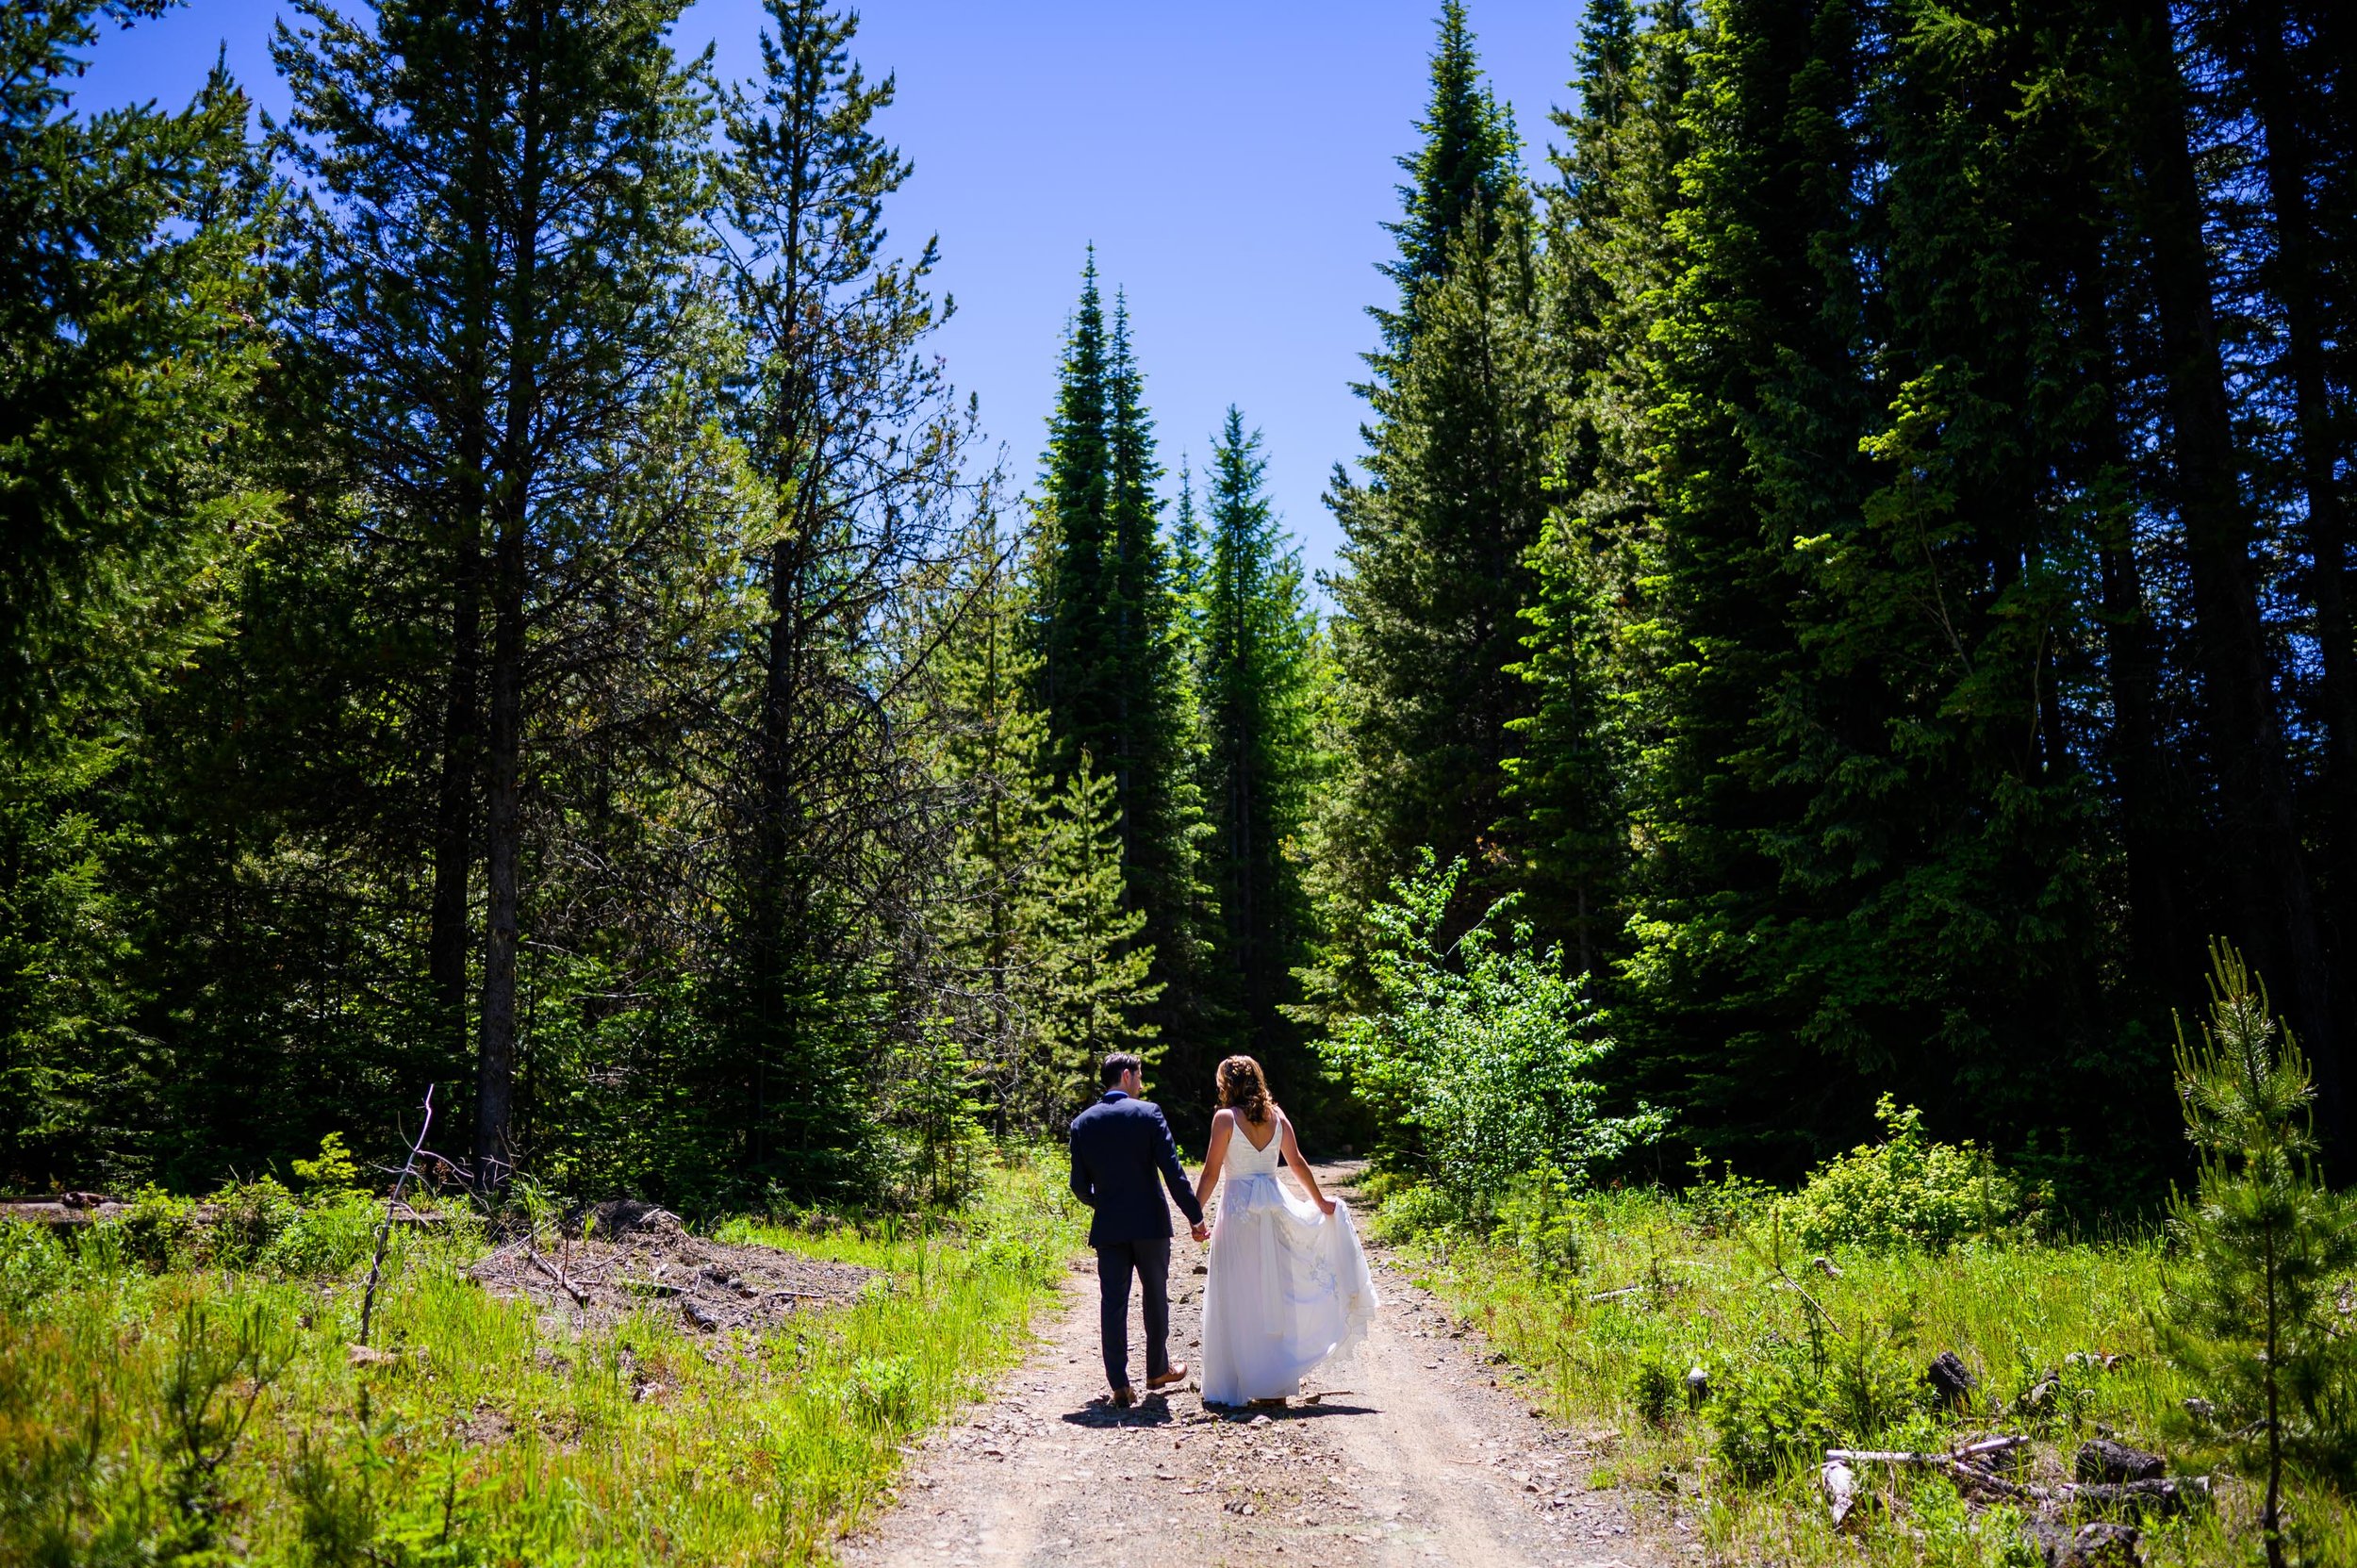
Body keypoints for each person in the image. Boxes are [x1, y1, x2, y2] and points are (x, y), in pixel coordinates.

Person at [1193, 1054, 1376, 1407]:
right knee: (1274, 1291)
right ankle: (1273, 1384)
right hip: (1274, 1206)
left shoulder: (1225, 1119)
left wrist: (1195, 1214)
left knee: (1238, 1290)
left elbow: (1211, 1172)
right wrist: (1320, 1202)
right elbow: (1297, 1162)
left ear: (1227, 1084)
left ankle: (1239, 1381)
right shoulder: (1278, 1117)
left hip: (1239, 1210)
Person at [1067, 1051, 1209, 1407]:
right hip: (1150, 1225)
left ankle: (1119, 1383)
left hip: (1110, 1227)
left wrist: (1105, 1203)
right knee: (1154, 1294)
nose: (1142, 1085)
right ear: (1127, 1076)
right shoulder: (1148, 1113)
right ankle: (1157, 1370)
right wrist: (1195, 1216)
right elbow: (1173, 1173)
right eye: (1140, 1077)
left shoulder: (1082, 1123)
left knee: (1113, 1302)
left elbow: (1079, 1186)